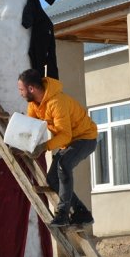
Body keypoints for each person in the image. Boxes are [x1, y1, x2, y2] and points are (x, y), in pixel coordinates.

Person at [17, 68, 98, 227]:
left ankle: (62, 214)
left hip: (85, 138)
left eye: (21, 89)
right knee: (52, 179)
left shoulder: (57, 102)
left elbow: (65, 135)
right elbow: (31, 128)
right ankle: (82, 212)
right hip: (69, 142)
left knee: (63, 165)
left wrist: (43, 147)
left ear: (31, 89)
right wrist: (23, 145)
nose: (20, 93)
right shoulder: (34, 105)